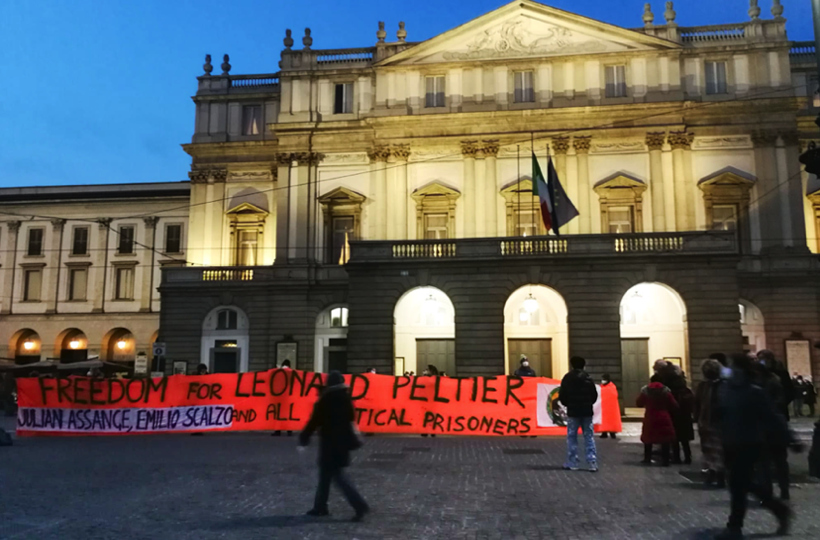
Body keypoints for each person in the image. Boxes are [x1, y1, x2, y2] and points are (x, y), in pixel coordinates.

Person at [715, 353, 796, 540]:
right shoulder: (725, 389)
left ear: (742, 370)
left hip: (750, 443)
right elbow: (722, 414)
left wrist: (791, 439)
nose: (730, 370)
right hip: (730, 443)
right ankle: (778, 509)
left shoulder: (754, 391)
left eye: (734, 366)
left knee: (738, 485)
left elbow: (772, 416)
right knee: (742, 484)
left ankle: (734, 527)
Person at [299, 370, 369, 521]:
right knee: (325, 476)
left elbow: (314, 421)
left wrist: (304, 437)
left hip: (329, 444)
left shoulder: (325, 400)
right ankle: (320, 507)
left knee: (338, 477)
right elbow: (351, 418)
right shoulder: (346, 398)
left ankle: (359, 505)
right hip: (342, 443)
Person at [753, 357, 791, 500]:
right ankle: (784, 489)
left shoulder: (757, 386)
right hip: (776, 427)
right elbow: (782, 401)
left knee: (764, 463)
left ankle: (768, 492)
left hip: (764, 429)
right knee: (780, 462)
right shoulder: (775, 382)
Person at [558, 356, 599, 472]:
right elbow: (594, 395)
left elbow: (562, 395)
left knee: (572, 436)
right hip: (587, 411)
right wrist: (588, 403)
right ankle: (592, 462)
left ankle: (573, 462)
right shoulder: (588, 378)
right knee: (589, 436)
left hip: (573, 411)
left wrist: (568, 404)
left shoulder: (567, 378)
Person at [693, 358, 725, 487]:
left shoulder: (719, 385)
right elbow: (697, 403)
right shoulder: (704, 386)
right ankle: (714, 473)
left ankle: (717, 474)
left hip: (715, 422)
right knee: (711, 449)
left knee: (714, 450)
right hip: (708, 422)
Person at [637, 379, 678, 466]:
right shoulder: (666, 392)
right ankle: (665, 460)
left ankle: (647, 458)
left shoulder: (646, 392)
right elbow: (674, 404)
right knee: (665, 438)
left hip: (650, 417)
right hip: (663, 416)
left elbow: (639, 403)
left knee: (648, 437)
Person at [668, 367, 695, 465]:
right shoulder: (686, 391)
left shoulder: (671, 391)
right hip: (685, 416)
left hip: (675, 415)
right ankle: (688, 457)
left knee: (675, 439)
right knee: (685, 440)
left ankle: (676, 458)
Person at [274, 360, 293, 436]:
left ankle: (278, 430)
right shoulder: (291, 372)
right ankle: (289, 430)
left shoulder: (278, 372)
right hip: (288, 397)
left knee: (279, 414)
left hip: (279, 397)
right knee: (288, 414)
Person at [599, 374, 618, 439]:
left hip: (610, 407)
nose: (602, 381)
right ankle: (604, 432)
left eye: (604, 379)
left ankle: (612, 433)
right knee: (604, 420)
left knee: (611, 420)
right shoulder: (601, 386)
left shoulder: (611, 386)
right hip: (603, 407)